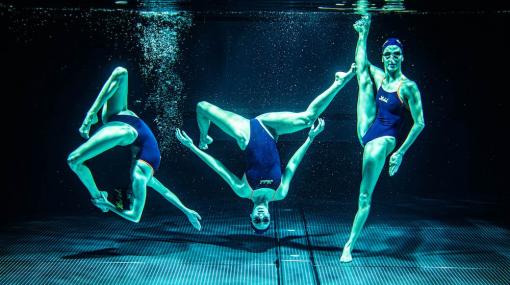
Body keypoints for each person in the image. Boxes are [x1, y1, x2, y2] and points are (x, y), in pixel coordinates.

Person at [176, 64, 355, 234]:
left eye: (257, 220)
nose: (261, 217)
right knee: (307, 120)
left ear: (251, 216)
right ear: (270, 217)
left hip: (245, 131)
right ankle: (339, 82)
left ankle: (203, 138)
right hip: (270, 129)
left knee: (201, 107)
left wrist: (192, 146)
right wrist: (310, 138)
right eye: (265, 220)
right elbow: (292, 165)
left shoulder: (244, 190)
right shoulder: (280, 193)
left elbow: (218, 168)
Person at [67, 66, 202, 230]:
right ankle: (98, 195)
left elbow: (164, 194)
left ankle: (97, 194)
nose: (128, 192)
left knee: (121, 73)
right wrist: (108, 205)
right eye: (130, 196)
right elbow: (136, 216)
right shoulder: (140, 178)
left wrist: (186, 211)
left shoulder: (144, 176)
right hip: (127, 127)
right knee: (73, 160)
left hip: (126, 123)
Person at [340, 16, 425, 262]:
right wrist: (362, 36)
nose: (391, 58)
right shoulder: (381, 77)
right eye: (387, 54)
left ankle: (349, 245)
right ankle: (363, 33)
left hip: (386, 138)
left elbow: (420, 123)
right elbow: (362, 62)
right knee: (362, 75)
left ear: (402, 57)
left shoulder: (408, 86)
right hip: (368, 130)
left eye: (396, 54)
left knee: (364, 196)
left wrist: (399, 153)